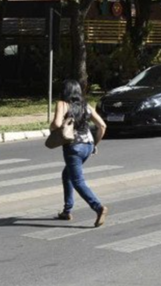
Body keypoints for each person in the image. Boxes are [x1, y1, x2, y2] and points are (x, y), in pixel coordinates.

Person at [51, 79, 109, 227]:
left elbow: (57, 125)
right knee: (67, 174)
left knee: (78, 182)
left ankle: (98, 207)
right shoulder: (86, 106)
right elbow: (102, 126)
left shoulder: (62, 104)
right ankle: (67, 210)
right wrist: (95, 145)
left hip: (74, 148)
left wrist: (53, 126)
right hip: (88, 146)